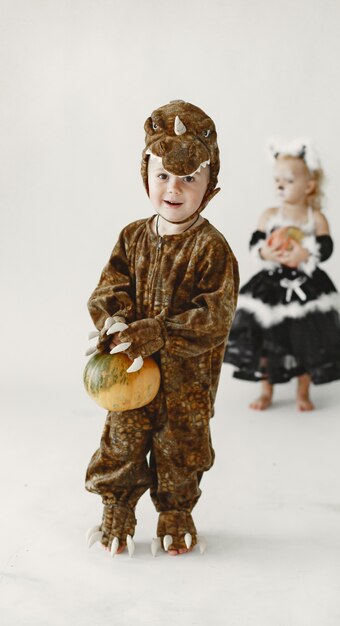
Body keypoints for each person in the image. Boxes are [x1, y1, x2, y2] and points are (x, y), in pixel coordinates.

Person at [84, 100, 239, 557]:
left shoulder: (212, 248)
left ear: (209, 186)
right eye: (164, 175)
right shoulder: (132, 237)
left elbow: (216, 315)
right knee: (122, 440)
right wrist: (114, 323)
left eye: (190, 178)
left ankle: (176, 514)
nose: (175, 188)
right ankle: (117, 512)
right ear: (146, 176)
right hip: (130, 373)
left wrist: (163, 332)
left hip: (187, 383)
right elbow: (108, 289)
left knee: (181, 446)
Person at [224, 138, 340, 412]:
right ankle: (266, 391)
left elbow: (326, 247)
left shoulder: (314, 217)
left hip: (305, 286)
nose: (280, 185)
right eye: (277, 180)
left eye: (289, 180)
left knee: (306, 341)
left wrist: (303, 253)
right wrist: (267, 253)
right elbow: (255, 244)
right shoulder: (270, 215)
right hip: (270, 285)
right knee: (265, 341)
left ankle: (303, 392)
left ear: (308, 185)